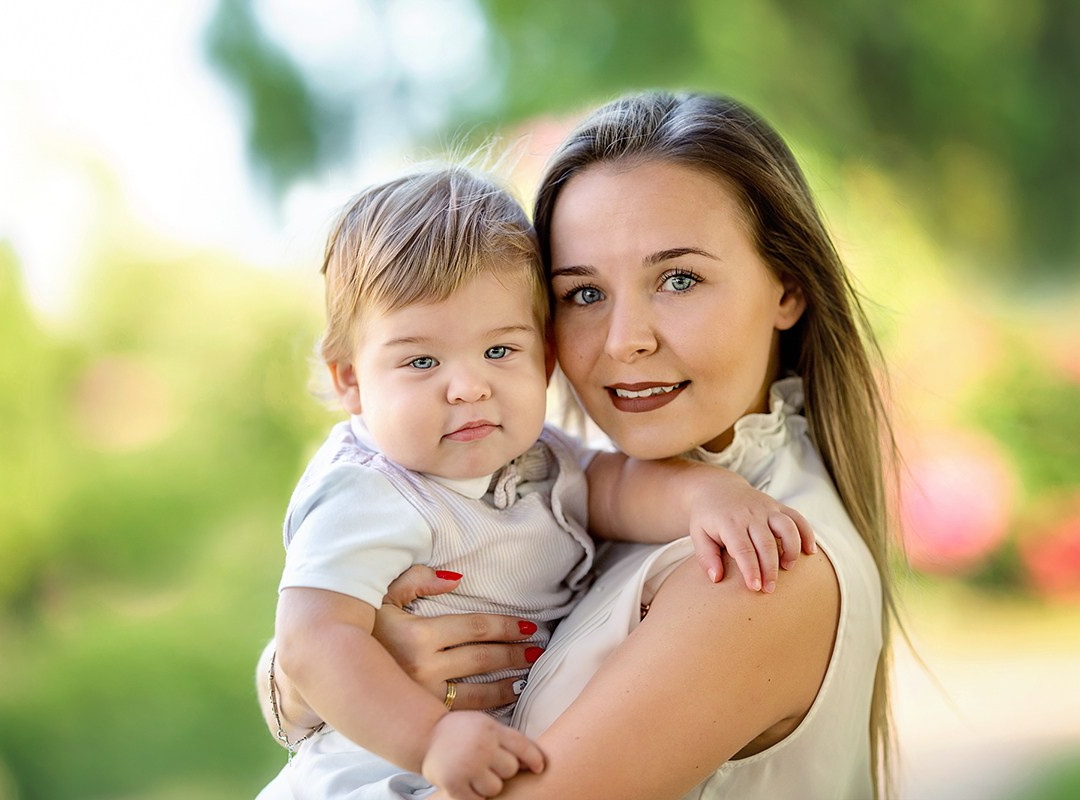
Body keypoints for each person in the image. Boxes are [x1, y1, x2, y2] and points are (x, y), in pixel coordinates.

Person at [260, 90, 901, 800]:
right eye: (584, 294)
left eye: (679, 279)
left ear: (789, 287)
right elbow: (317, 642)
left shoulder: (760, 564)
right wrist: (312, 682)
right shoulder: (572, 482)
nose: (626, 339)